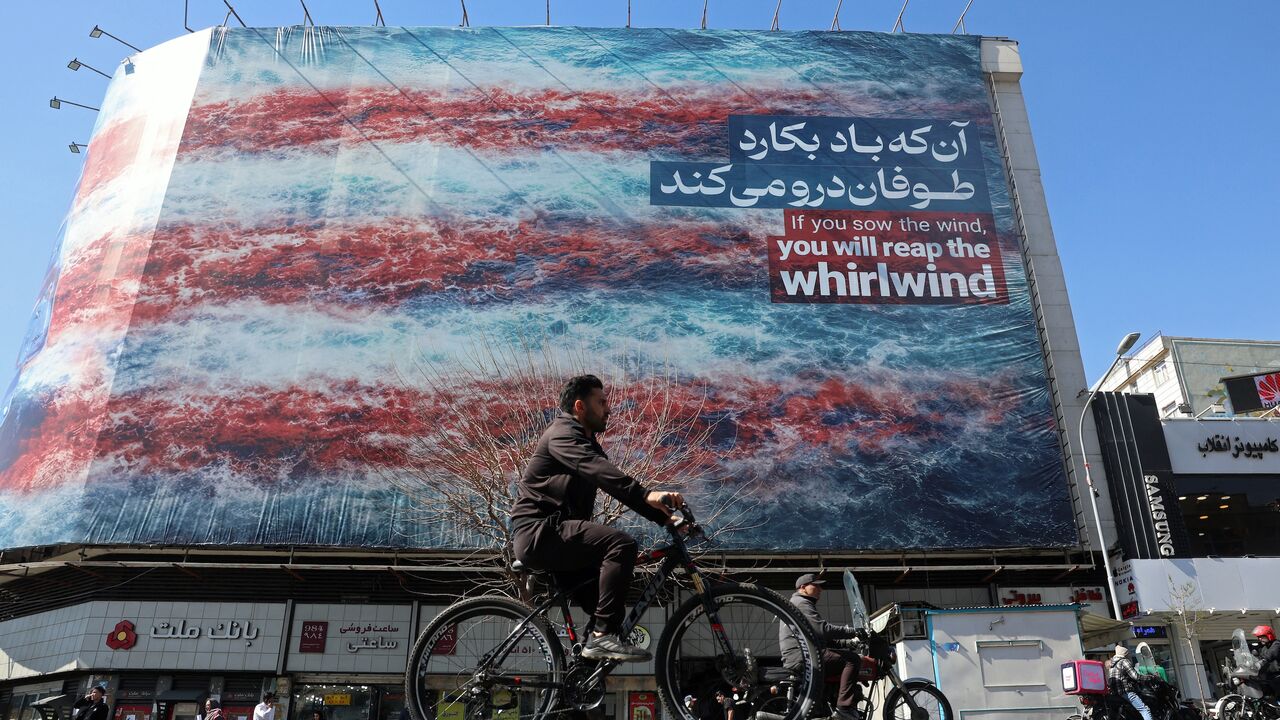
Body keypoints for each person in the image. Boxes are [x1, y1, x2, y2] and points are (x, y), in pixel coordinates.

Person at [511, 374, 683, 662]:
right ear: (580, 406)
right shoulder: (562, 434)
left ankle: (578, 675)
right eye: (601, 402)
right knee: (621, 545)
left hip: (560, 538)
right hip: (540, 533)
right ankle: (602, 639)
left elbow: (614, 484)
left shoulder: (587, 443)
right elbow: (600, 472)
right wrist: (646, 494)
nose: (608, 409)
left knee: (609, 610)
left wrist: (666, 519)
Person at [778, 573, 863, 720]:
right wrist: (852, 631)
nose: (820, 589)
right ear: (803, 587)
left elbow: (822, 638)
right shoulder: (801, 602)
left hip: (802, 655)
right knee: (852, 660)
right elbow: (822, 629)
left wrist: (850, 643)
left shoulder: (800, 603)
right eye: (816, 585)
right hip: (802, 657)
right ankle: (844, 709)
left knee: (842, 657)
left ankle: (828, 706)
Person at [1108, 645, 1153, 720]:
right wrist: (1149, 677)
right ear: (1124, 655)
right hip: (1125, 691)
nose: (1128, 656)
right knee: (1144, 709)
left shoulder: (1112, 665)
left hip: (1116, 693)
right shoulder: (1124, 661)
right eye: (1127, 654)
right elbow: (1135, 676)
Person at [1254, 625, 1280, 695]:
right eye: (1258, 637)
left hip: (1278, 675)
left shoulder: (1277, 644)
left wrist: (1262, 661)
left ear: (1269, 635)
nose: (1259, 639)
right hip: (1269, 677)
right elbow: (1260, 658)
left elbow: (1271, 654)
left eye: (1261, 636)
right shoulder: (1264, 648)